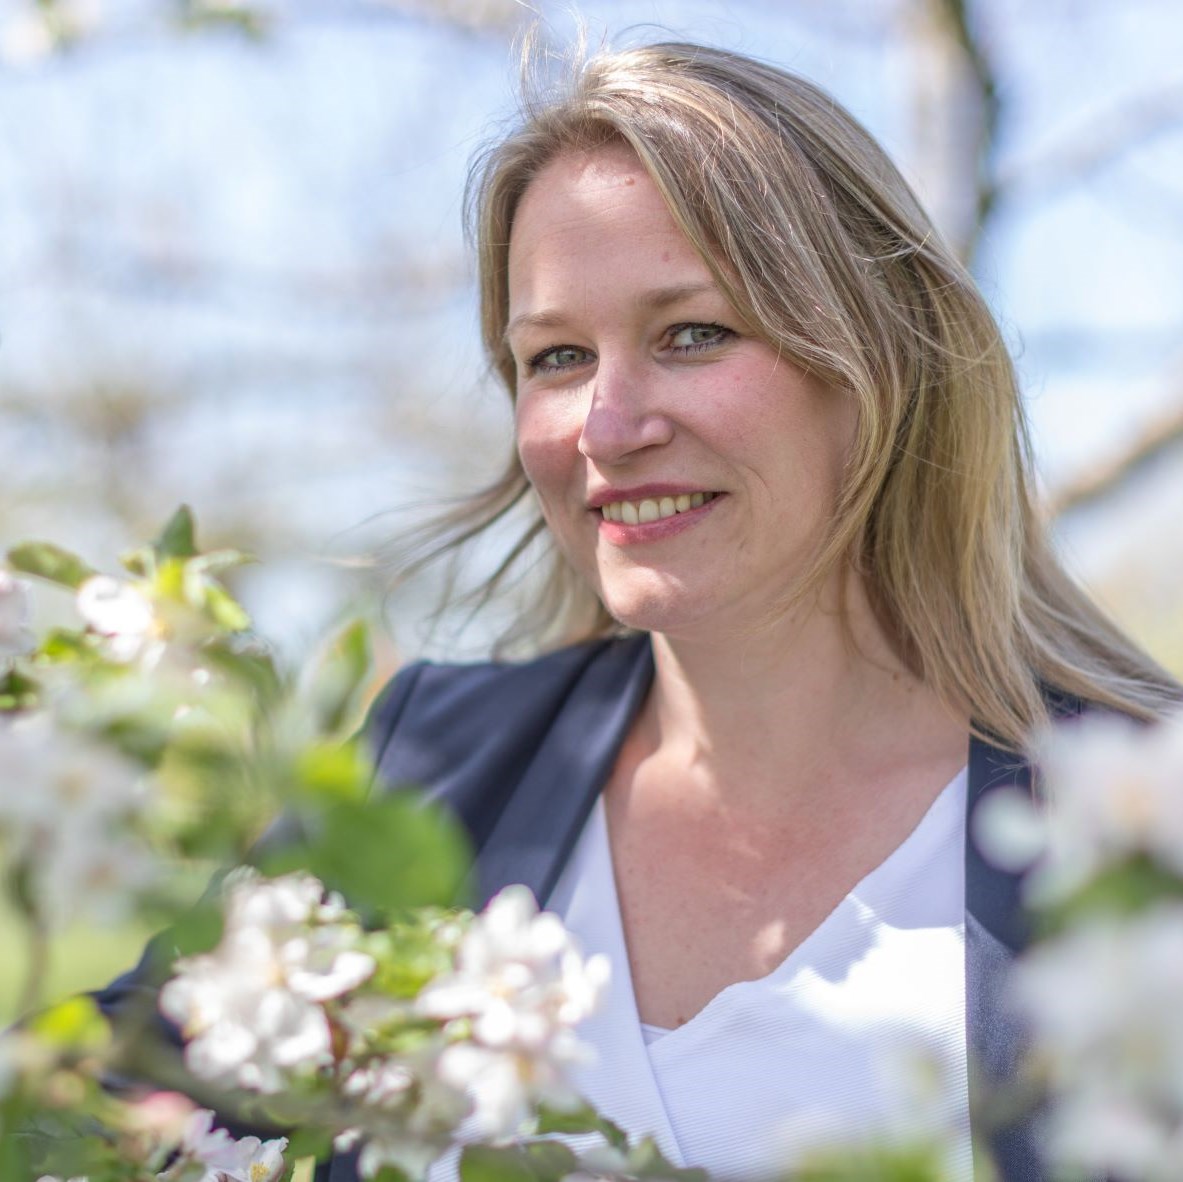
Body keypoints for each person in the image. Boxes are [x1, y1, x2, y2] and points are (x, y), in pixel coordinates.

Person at [103, 39, 1182, 1182]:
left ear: (878, 361)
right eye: (556, 357)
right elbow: (88, 1109)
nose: (606, 429)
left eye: (692, 334)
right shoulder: (431, 766)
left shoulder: (1136, 818)